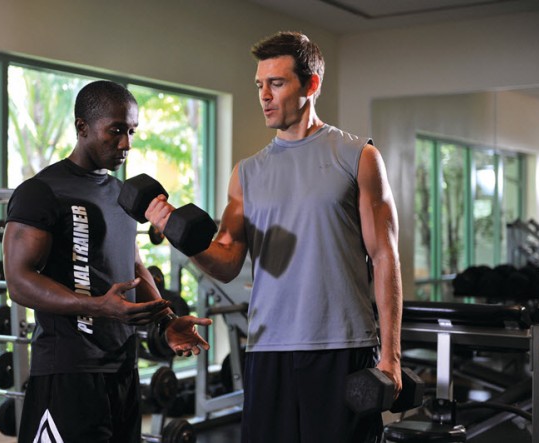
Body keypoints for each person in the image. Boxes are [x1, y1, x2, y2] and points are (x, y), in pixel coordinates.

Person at [145, 31, 403, 443]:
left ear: (311, 85)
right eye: (259, 85)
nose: (264, 95)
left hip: (342, 346)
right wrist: (183, 239)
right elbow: (226, 262)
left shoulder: (358, 157)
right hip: (268, 349)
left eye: (277, 83)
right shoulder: (247, 173)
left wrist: (391, 356)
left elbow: (385, 256)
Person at [3, 80, 213, 443]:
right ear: (82, 126)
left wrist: (165, 321)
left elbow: (134, 267)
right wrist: (96, 306)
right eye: (116, 130)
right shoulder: (42, 191)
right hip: (67, 372)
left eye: (131, 131)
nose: (126, 144)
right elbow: (19, 281)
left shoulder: (122, 195)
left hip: (122, 371)